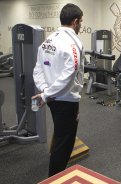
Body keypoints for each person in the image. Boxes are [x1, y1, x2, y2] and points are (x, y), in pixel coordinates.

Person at [32, 3, 84, 177]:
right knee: (64, 145)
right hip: (66, 100)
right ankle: (55, 179)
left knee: (60, 135)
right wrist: (47, 93)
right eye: (81, 22)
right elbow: (69, 75)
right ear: (75, 21)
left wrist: (45, 90)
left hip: (52, 99)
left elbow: (38, 69)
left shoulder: (48, 40)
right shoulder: (73, 43)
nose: (81, 25)